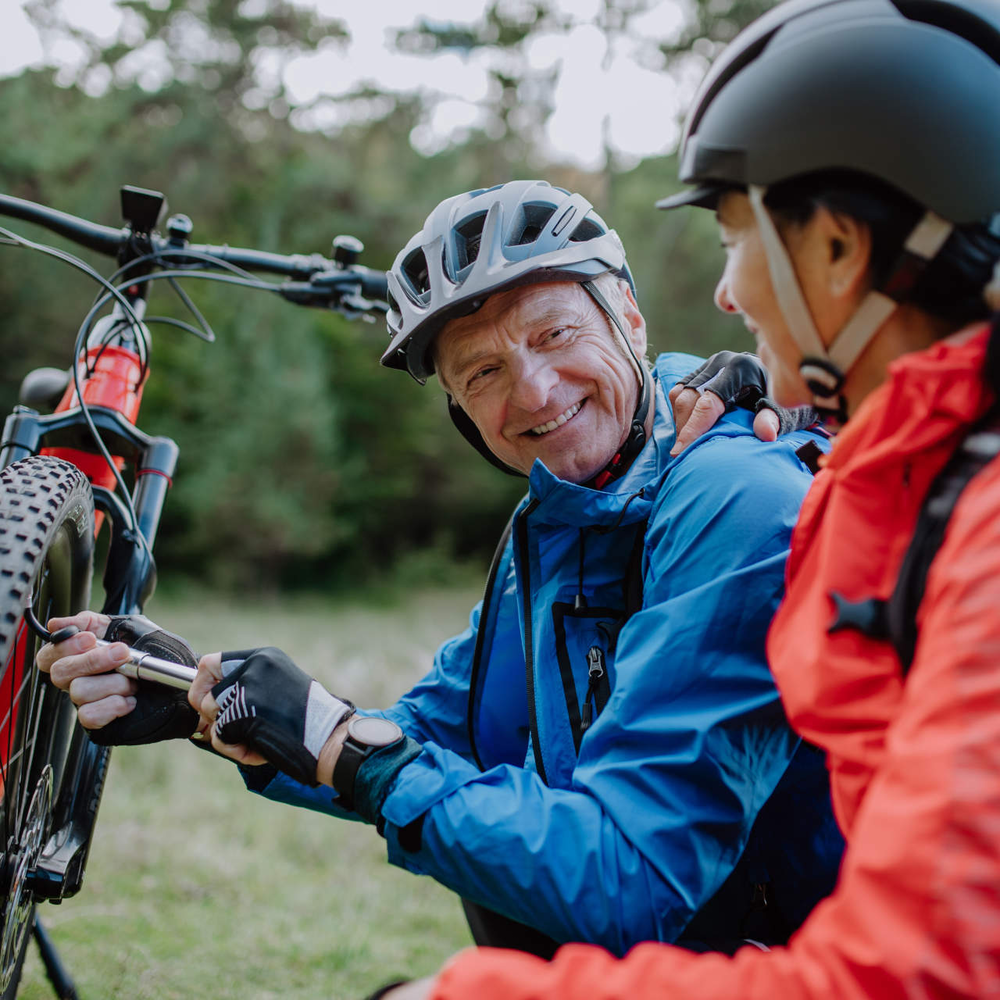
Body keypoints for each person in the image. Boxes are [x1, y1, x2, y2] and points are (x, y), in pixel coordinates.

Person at [38, 180, 841, 960]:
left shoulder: (732, 495)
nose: (534, 390)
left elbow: (635, 881)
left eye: (555, 334)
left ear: (629, 316)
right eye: (482, 372)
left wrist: (340, 745)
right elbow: (436, 734)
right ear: (462, 412)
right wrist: (199, 705)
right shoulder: (553, 526)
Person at [374, 0, 1000, 996]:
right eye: (479, 374)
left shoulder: (975, 542)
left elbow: (915, 973)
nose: (724, 294)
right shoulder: (918, 479)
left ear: (836, 253)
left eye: (734, 238)